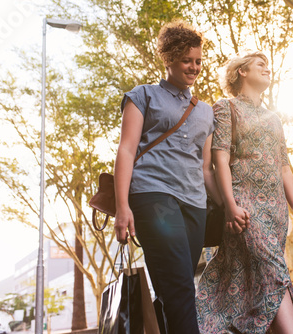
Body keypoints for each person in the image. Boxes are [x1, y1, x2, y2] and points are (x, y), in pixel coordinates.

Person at [113, 20, 221, 334]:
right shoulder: (142, 96)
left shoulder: (206, 112)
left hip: (195, 204)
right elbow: (126, 150)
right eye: (187, 60)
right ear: (169, 59)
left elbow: (205, 169)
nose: (194, 66)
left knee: (174, 286)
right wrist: (123, 208)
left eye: (199, 60)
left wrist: (228, 205)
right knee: (181, 287)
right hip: (154, 195)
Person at [196, 51, 293, 333]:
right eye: (260, 65)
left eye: (268, 65)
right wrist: (230, 206)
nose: (267, 68)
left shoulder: (274, 118)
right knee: (274, 273)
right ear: (241, 72)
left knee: (260, 280)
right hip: (245, 207)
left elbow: (284, 167)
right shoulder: (225, 108)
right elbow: (217, 160)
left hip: (276, 212)